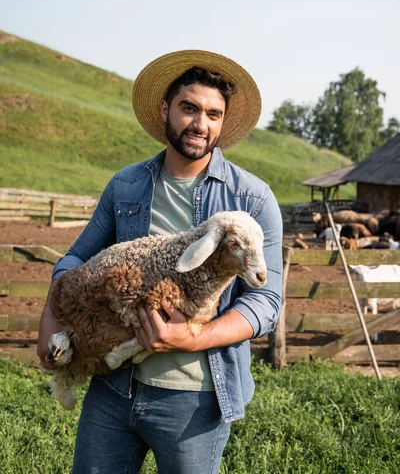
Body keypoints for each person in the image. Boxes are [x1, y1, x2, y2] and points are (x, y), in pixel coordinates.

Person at [37, 49, 283, 474]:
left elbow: (266, 303)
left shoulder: (252, 199)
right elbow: (76, 257)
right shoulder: (127, 184)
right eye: (189, 108)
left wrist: (192, 338)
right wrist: (50, 318)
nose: (200, 124)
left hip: (196, 401)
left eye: (213, 113)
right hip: (113, 388)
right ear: (166, 109)